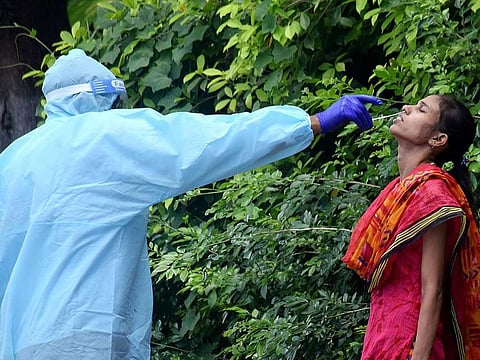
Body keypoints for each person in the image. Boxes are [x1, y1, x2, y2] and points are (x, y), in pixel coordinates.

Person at [0, 49, 381, 359]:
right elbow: (208, 142)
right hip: (86, 337)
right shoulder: (104, 138)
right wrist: (310, 123)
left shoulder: (13, 160)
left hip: (19, 342)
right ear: (100, 96)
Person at [342, 94, 480, 359]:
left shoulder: (431, 191)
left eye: (421, 109)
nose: (406, 108)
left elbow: (434, 289)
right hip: (383, 338)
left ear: (438, 140)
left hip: (411, 344)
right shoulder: (400, 189)